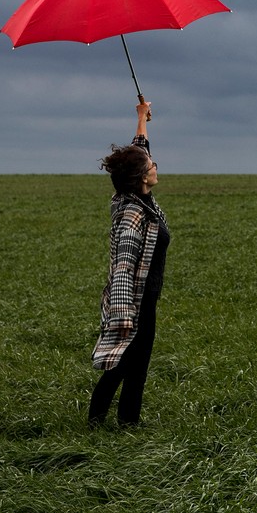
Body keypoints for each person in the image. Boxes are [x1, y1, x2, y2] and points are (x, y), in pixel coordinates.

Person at [89, 98, 169, 428]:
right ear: (141, 177)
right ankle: (108, 421)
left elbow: (140, 149)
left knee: (135, 361)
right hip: (134, 299)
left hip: (145, 296)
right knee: (127, 362)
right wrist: (124, 314)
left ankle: (122, 420)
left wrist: (141, 117)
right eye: (151, 165)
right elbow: (123, 266)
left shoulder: (132, 195)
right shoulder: (133, 214)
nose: (156, 165)